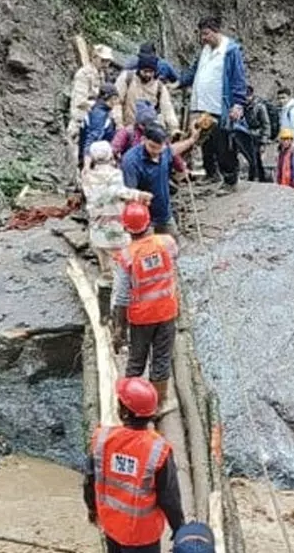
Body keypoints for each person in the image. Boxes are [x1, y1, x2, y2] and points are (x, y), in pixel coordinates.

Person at [85, 376, 185, 553]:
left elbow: (90, 480)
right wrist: (179, 527)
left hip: (111, 525)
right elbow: (169, 498)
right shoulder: (158, 450)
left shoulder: (102, 439)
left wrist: (92, 509)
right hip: (143, 536)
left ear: (124, 411)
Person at [112, 201, 180, 415]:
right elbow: (172, 257)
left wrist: (119, 328)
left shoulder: (127, 256)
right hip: (167, 312)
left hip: (141, 318)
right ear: (148, 222)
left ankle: (128, 404)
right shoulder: (167, 243)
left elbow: (122, 296)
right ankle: (159, 404)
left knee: (136, 360)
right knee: (161, 358)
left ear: (126, 228)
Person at [178, 16, 248, 192]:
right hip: (204, 105)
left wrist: (238, 103)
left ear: (216, 31)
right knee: (206, 143)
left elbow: (238, 78)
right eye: (201, 34)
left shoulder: (230, 51)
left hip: (220, 106)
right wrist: (179, 82)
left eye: (206, 34)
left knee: (223, 144)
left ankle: (230, 180)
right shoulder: (205, 50)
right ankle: (211, 173)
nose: (203, 38)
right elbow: (194, 71)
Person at [82, 141, 152, 291]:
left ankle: (106, 292)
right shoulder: (114, 174)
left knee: (105, 266)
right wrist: (139, 195)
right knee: (123, 264)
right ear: (110, 155)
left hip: (97, 227)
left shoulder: (87, 176)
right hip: (115, 229)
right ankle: (126, 291)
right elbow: (119, 192)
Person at [121, 125, 198, 236]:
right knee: (148, 246)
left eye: (160, 148)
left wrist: (191, 140)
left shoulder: (165, 150)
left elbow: (174, 149)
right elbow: (129, 193)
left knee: (172, 243)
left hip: (164, 213)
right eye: (152, 147)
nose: (156, 152)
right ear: (143, 140)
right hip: (144, 218)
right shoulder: (131, 161)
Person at [116, 55, 179, 133]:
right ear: (139, 69)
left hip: (147, 131)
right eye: (145, 71)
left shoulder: (159, 87)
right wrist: (118, 123)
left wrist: (174, 127)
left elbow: (167, 108)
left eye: (151, 72)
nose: (148, 74)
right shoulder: (127, 78)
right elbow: (116, 102)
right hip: (125, 128)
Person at [81, 84, 121, 167]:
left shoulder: (103, 111)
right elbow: (91, 139)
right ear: (107, 98)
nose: (115, 102)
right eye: (114, 99)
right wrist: (86, 166)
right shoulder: (99, 114)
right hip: (97, 160)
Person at [239, 85, 271, 182]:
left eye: (247, 96)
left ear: (251, 95)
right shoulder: (243, 107)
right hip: (246, 135)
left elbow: (266, 124)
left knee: (256, 159)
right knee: (252, 159)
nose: (246, 99)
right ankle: (253, 178)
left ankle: (258, 178)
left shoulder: (260, 107)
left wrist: (264, 141)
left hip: (257, 136)